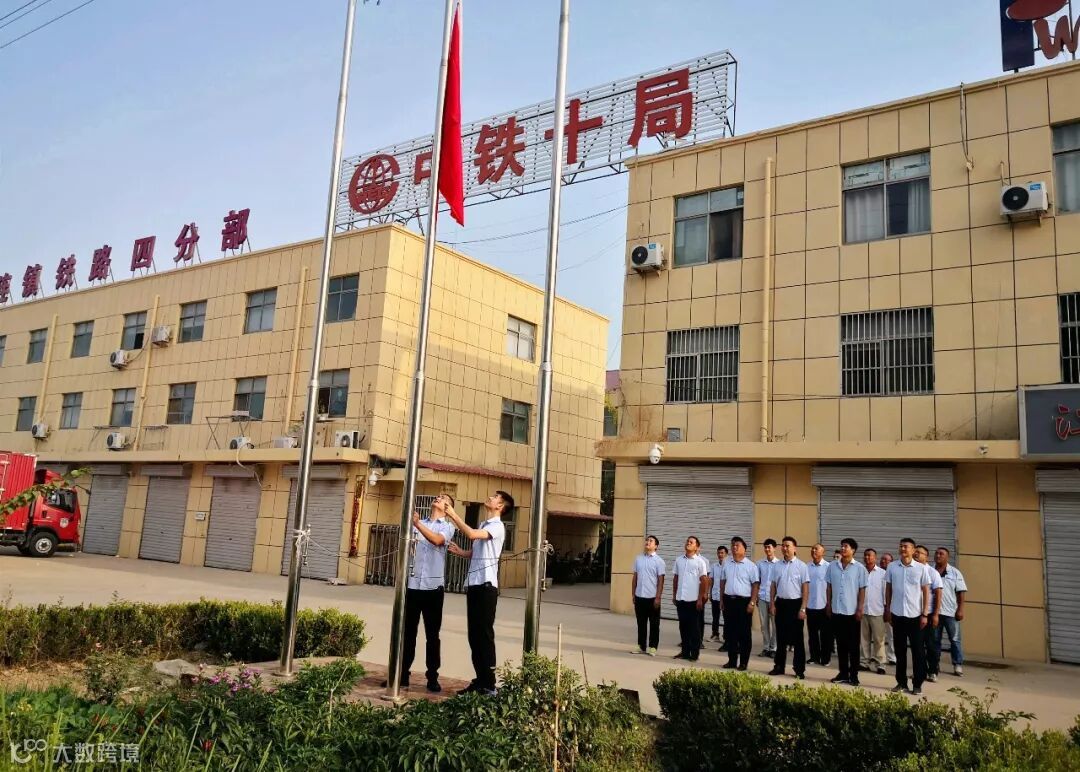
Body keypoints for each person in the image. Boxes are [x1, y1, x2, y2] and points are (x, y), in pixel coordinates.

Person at [446, 490, 514, 696]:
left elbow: (471, 534)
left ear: (500, 506)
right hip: (475, 584)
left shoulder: (497, 526)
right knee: (474, 636)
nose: (490, 498)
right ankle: (480, 680)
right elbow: (478, 552)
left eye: (495, 497)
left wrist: (453, 515)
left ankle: (489, 685)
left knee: (484, 636)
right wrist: (461, 552)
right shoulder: (485, 525)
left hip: (486, 587)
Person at [397, 493, 457, 692]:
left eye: (443, 498)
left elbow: (437, 541)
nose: (438, 498)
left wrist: (416, 525)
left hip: (433, 588)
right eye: (438, 496)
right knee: (408, 633)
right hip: (413, 585)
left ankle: (432, 676)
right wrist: (413, 524)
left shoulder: (447, 527)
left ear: (448, 507)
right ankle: (402, 674)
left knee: (432, 635)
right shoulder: (419, 522)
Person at [885, 537, 931, 695]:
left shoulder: (921, 568)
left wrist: (925, 614)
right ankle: (901, 682)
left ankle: (917, 684)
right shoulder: (892, 567)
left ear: (913, 550)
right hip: (897, 615)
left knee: (918, 652)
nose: (903, 549)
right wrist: (888, 609)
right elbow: (888, 589)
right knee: (900, 651)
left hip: (915, 615)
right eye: (901, 546)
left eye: (906, 546)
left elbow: (926, 592)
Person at [825, 537, 869, 686]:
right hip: (837, 611)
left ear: (853, 550)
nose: (843, 549)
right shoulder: (832, 566)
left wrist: (860, 608)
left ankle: (854, 675)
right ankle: (843, 673)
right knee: (841, 645)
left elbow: (862, 589)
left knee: (853, 646)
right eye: (842, 546)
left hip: (852, 612)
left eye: (846, 546)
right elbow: (829, 587)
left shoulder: (859, 568)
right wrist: (828, 604)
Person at [768, 536, 809, 679]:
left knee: (798, 639)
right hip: (781, 604)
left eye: (788, 546)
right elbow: (773, 586)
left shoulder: (802, 566)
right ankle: (779, 666)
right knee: (781, 638)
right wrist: (772, 603)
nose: (785, 548)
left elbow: (805, 589)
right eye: (783, 546)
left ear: (795, 548)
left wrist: (803, 608)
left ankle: (799, 669)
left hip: (795, 604)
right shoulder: (777, 566)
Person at [720, 536, 760, 671]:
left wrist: (752, 602)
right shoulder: (727, 563)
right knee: (730, 633)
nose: (734, 547)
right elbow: (723, 582)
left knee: (744, 634)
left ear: (744, 549)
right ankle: (732, 661)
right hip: (729, 600)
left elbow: (755, 585)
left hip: (744, 602)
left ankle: (743, 662)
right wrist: (721, 600)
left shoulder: (751, 566)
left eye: (737, 545)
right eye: (733, 545)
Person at [672, 536, 710, 662]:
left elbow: (704, 580)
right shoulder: (679, 560)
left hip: (694, 600)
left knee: (694, 628)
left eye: (691, 542)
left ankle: (694, 654)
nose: (688, 543)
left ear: (697, 547)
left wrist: (700, 598)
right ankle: (685, 652)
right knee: (683, 627)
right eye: (687, 541)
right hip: (681, 598)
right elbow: (676, 578)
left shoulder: (700, 562)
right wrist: (674, 595)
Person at [934, 547, 967, 677]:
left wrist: (960, 609)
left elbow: (961, 592)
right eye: (936, 553)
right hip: (935, 613)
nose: (938, 555)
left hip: (951, 613)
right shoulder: (930, 571)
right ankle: (935, 664)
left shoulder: (955, 573)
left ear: (947, 557)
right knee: (935, 640)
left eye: (941, 554)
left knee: (955, 639)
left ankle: (957, 664)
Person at [631, 535, 666, 656]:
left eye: (651, 541)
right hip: (639, 596)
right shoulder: (638, 559)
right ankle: (641, 646)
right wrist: (633, 594)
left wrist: (658, 597)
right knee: (641, 623)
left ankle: (653, 647)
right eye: (647, 540)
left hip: (652, 597)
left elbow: (661, 580)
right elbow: (635, 577)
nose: (648, 542)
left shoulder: (659, 561)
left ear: (656, 546)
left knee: (654, 624)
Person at [915, 545, 944, 682]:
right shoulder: (912, 570)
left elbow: (938, 593)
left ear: (926, 557)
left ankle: (932, 671)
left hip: (929, 614)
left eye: (919, 553)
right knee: (917, 646)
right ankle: (920, 672)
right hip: (913, 614)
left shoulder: (932, 572)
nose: (916, 554)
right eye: (915, 552)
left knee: (931, 645)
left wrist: (936, 614)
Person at [860, 548, 888, 676]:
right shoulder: (860, 572)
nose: (867, 557)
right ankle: (864, 662)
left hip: (878, 611)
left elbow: (886, 593)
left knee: (879, 640)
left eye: (870, 555)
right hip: (863, 611)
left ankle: (880, 664)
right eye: (865, 555)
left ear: (875, 558)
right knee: (864, 639)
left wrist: (887, 609)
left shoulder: (882, 573)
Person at [806, 544, 832, 666]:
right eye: (812, 549)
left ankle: (825, 658)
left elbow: (831, 587)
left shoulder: (828, 567)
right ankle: (814, 657)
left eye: (816, 549)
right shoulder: (807, 567)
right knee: (812, 634)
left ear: (823, 552)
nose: (813, 551)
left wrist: (829, 604)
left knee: (825, 635)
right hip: (810, 605)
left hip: (824, 606)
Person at [756, 539, 780, 658]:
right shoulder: (760, 564)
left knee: (775, 625)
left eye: (769, 547)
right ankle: (766, 647)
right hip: (762, 597)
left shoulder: (779, 564)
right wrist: (756, 597)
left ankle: (774, 648)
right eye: (765, 547)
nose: (767, 549)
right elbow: (757, 581)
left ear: (774, 548)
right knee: (764, 625)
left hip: (775, 599)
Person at [710, 545, 728, 648]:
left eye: (722, 553)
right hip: (715, 595)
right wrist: (709, 593)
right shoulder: (714, 566)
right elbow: (711, 580)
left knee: (726, 617)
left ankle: (726, 636)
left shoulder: (728, 566)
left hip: (725, 596)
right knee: (715, 616)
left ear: (726, 554)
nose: (720, 555)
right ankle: (715, 634)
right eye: (719, 553)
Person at [880, 552, 897, 665]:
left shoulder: (894, 574)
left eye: (887, 560)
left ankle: (892, 657)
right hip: (878, 608)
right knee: (879, 636)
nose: (883, 561)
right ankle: (878, 656)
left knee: (891, 635)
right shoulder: (877, 573)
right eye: (882, 559)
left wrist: (889, 608)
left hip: (890, 609)